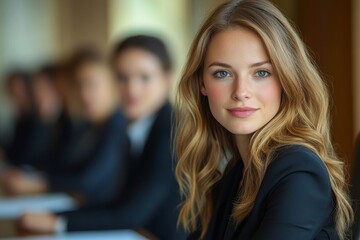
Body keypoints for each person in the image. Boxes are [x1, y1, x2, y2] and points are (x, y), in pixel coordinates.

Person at [174, 0, 353, 239]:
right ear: (202, 84)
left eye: (261, 73)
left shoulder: (299, 172)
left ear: (287, 80)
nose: (240, 91)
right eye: (222, 73)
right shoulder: (236, 172)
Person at [18, 35, 185, 240]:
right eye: (122, 77)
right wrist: (55, 216)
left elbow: (130, 213)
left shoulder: (172, 130)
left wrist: (59, 222)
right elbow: (119, 201)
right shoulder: (137, 125)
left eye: (145, 77)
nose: (132, 89)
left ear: (167, 79)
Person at [4, 50, 127, 206]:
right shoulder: (90, 125)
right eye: (80, 85)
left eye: (92, 84)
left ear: (113, 85)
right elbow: (62, 166)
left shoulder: (117, 124)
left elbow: (88, 180)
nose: (84, 93)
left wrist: (38, 184)